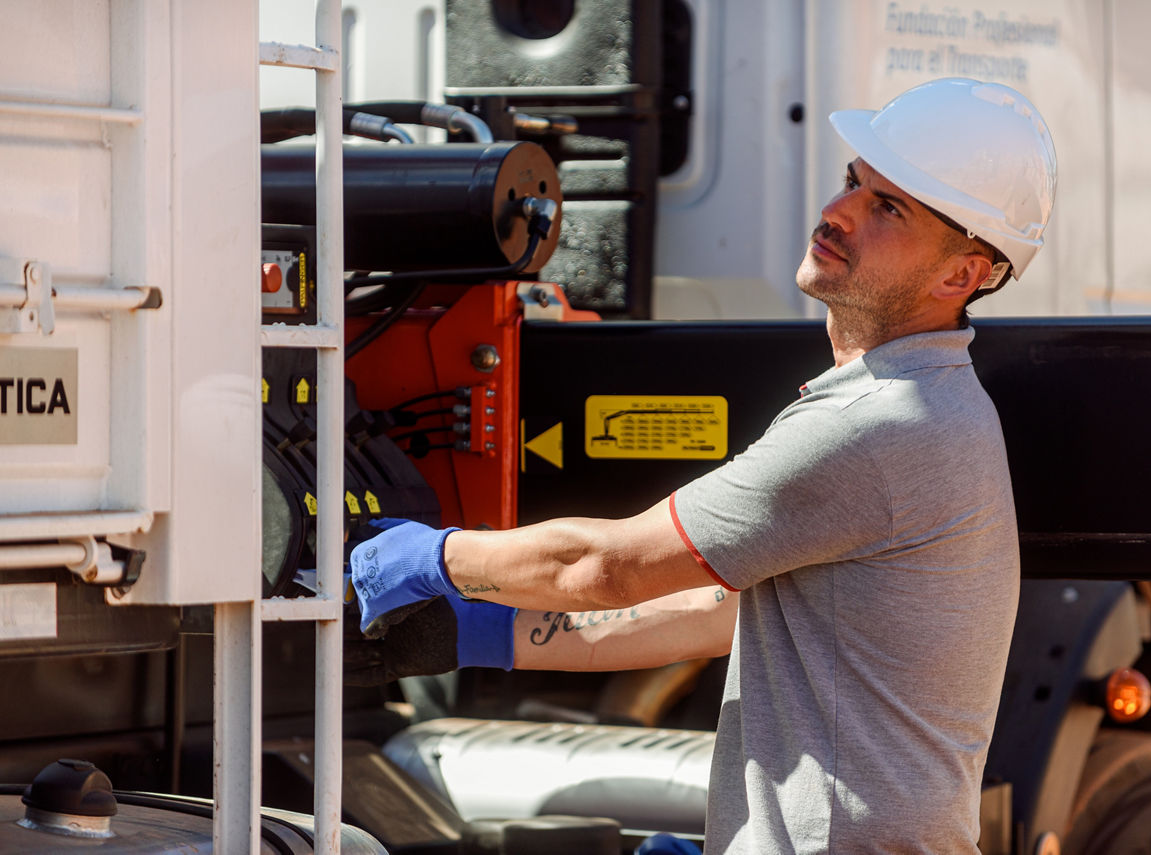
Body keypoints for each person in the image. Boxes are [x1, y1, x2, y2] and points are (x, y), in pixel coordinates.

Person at [345, 77, 1058, 853]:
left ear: (962, 274)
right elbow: (714, 608)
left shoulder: (880, 423)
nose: (837, 210)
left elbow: (608, 563)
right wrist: (487, 632)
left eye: (889, 208)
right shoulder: (932, 402)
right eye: (854, 182)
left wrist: (430, 557)